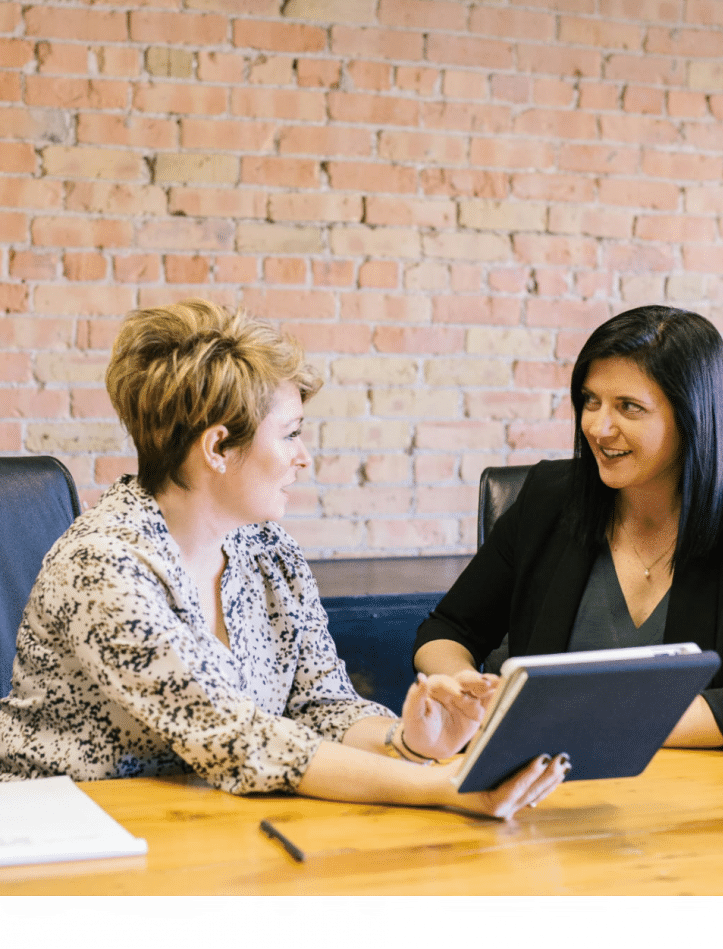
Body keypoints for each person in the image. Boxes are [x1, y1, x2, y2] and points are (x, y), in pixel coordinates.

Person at [0, 299, 569, 819]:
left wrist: (410, 743)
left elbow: (322, 704)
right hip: (69, 834)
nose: (304, 457)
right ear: (218, 447)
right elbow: (236, 739)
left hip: (212, 823)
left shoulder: (268, 550)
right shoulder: (104, 566)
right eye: (291, 434)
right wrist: (443, 786)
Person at [414, 304, 723, 755]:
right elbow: (447, 628)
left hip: (703, 798)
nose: (597, 427)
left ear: (692, 417)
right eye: (591, 401)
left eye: (628, 407)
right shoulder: (549, 497)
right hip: (543, 789)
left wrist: (589, 720)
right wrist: (460, 687)